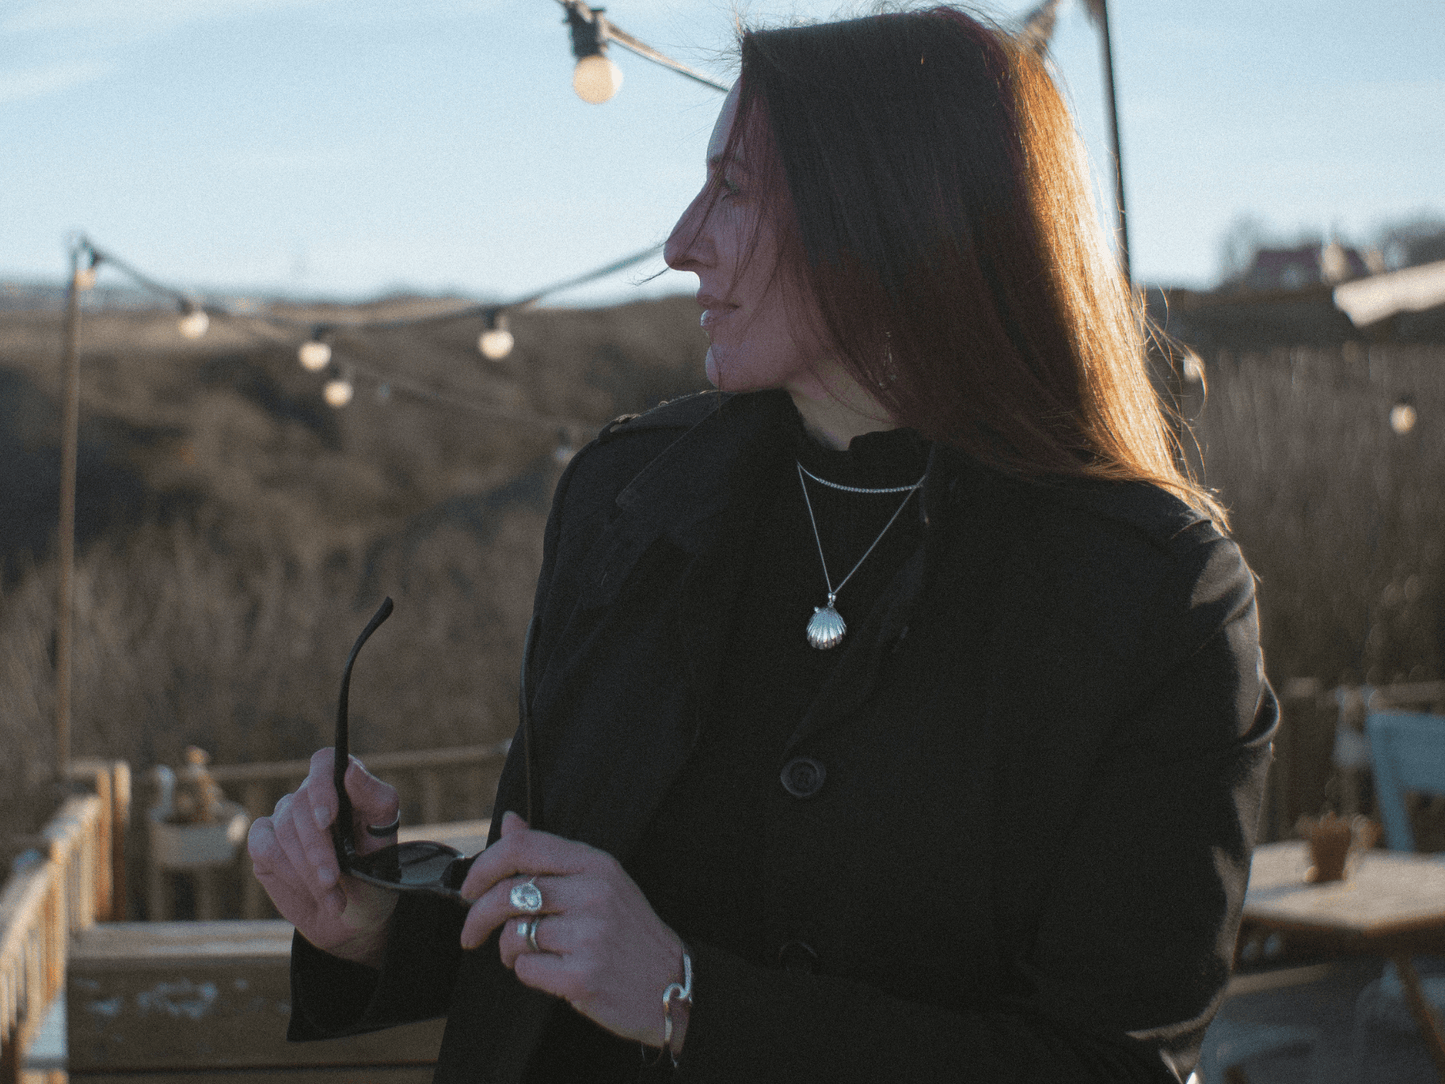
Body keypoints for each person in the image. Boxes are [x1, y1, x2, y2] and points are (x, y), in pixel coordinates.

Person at [249, 8, 1276, 1082]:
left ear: (889, 213)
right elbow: (548, 906)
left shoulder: (1154, 596)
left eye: (731, 189)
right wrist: (372, 917)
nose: (679, 241)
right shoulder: (625, 501)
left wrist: (693, 1000)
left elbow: (1112, 1063)